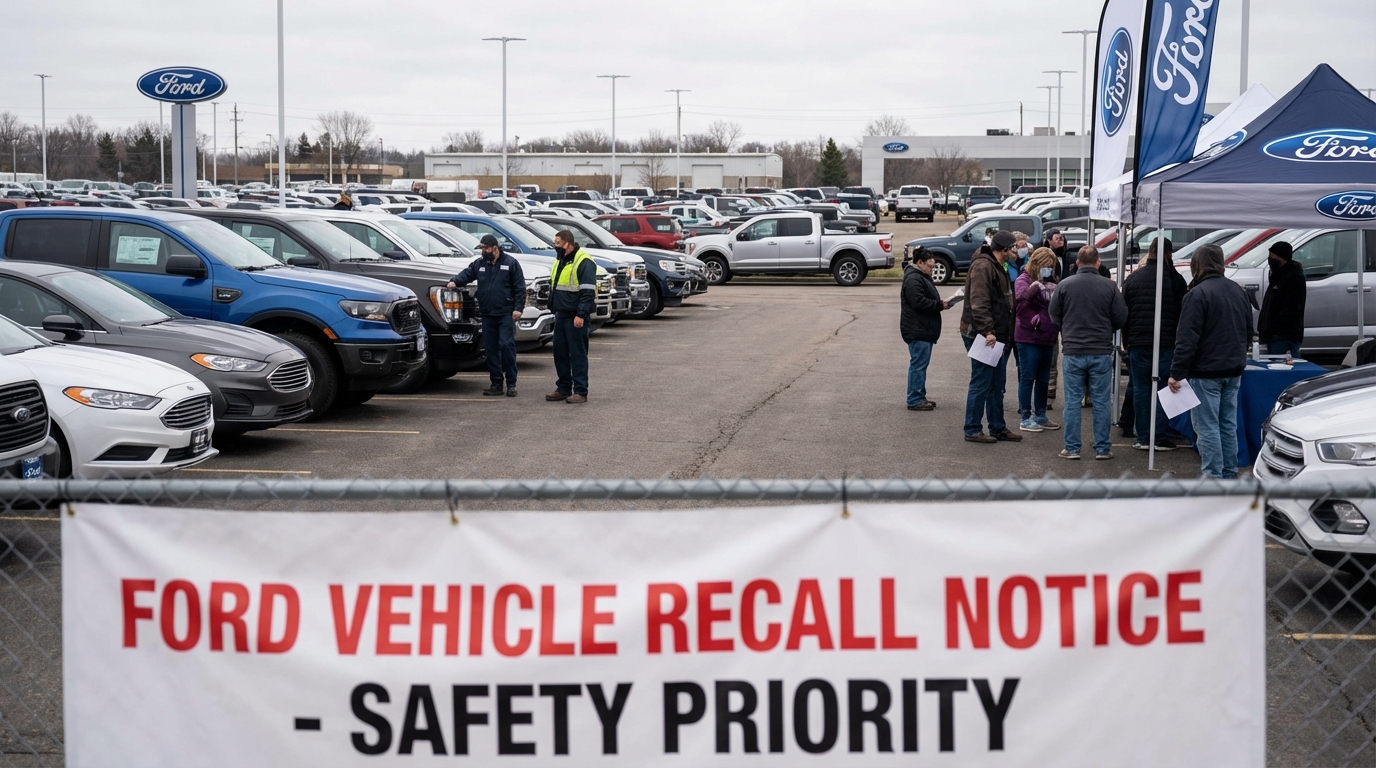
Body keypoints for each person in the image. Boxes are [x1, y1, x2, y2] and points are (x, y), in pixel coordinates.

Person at [1169, 244, 1253, 479]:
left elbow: (1186, 339)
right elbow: (1248, 331)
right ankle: (1229, 471)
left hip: (1206, 371)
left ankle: (1213, 477)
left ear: (1197, 264)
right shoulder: (1238, 290)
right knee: (1228, 424)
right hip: (1233, 369)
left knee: (1206, 427)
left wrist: (1176, 372)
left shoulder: (1197, 294)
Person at [1049, 246, 1127, 460]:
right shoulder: (1110, 287)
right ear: (1098, 262)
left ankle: (1072, 448)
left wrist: (1067, 329)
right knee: (1102, 401)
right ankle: (1103, 448)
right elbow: (1121, 316)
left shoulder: (1064, 285)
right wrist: (1106, 329)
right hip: (1101, 350)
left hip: (1073, 350)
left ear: (1077, 263)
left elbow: (1054, 315)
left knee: (1072, 401)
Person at [1121, 237, 1188, 451]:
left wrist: (1126, 342)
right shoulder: (1175, 280)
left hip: (1138, 342)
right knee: (1163, 389)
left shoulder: (1133, 279)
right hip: (1166, 343)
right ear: (1168, 254)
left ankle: (1142, 436)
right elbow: (1183, 313)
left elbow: (1125, 314)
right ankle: (1158, 436)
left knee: (1141, 389)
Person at [960, 230, 1021, 444]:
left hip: (997, 334)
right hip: (983, 335)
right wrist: (988, 331)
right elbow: (979, 303)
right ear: (1004, 249)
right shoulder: (984, 266)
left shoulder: (997, 264)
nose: (1017, 250)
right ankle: (973, 429)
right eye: (1014, 247)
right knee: (982, 382)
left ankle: (998, 427)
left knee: (997, 384)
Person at [447, 234, 526, 397]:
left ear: (495, 247)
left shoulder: (510, 263)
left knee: (506, 345)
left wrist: (518, 308)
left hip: (505, 312)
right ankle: (496, 383)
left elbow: (520, 288)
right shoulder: (480, 263)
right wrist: (455, 281)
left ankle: (511, 383)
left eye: (486, 248)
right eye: (482, 248)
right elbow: (467, 274)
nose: (483, 251)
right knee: (490, 349)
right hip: (488, 313)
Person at [546, 230, 597, 404]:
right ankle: (564, 388)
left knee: (577, 354)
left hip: (575, 316)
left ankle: (581, 391)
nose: (556, 246)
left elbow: (587, 292)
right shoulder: (561, 260)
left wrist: (581, 314)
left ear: (568, 243)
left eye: (558, 243)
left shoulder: (584, 262)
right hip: (561, 314)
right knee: (559, 352)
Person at [901, 247, 953, 411]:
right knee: (918, 365)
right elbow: (918, 302)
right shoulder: (914, 279)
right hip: (918, 329)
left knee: (920, 364)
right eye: (929, 266)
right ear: (919, 262)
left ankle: (919, 396)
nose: (932, 269)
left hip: (922, 328)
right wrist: (939, 305)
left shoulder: (920, 276)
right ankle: (915, 399)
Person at [1014, 247, 1061, 432]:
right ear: (1036, 264)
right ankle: (1025, 417)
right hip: (1029, 337)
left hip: (1047, 336)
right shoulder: (1023, 280)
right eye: (1045, 266)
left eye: (1050, 267)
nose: (1048, 270)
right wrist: (1036, 319)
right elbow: (1020, 306)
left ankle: (1040, 414)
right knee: (1028, 377)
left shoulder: (1050, 280)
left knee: (1043, 378)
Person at [1257, 241, 1306, 359]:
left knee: (1281, 366)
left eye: (1273, 257)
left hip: (1283, 336)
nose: (1270, 260)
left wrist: (1274, 327)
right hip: (1275, 335)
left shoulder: (1293, 277)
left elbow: (1292, 308)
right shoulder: (1277, 275)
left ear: (1281, 258)